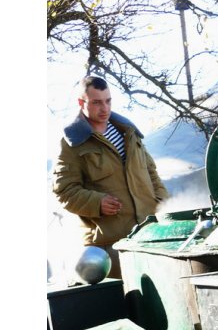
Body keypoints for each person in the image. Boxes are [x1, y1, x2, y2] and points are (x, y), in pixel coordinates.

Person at [52, 76, 169, 279]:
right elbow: (64, 190)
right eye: (97, 102)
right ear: (81, 103)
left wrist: (161, 204)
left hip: (151, 236)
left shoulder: (130, 133)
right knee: (127, 306)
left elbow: (152, 174)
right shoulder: (72, 143)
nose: (104, 108)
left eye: (108, 101)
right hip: (110, 248)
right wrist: (97, 203)